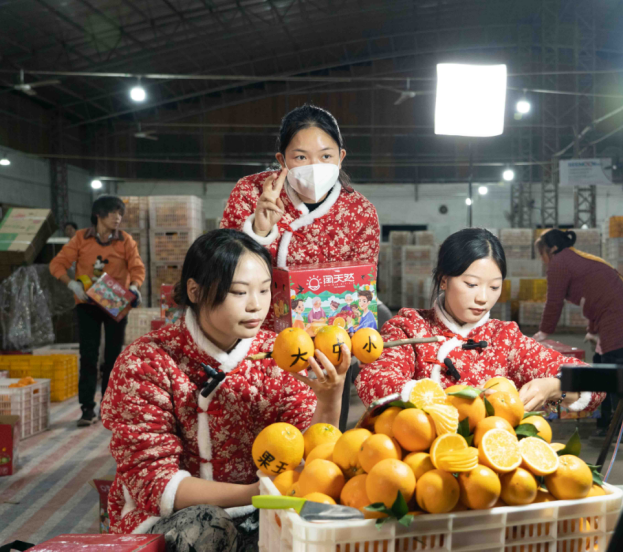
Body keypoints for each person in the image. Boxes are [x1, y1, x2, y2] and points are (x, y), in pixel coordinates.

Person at [101, 229, 350, 551]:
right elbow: (152, 481)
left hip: (264, 507)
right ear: (195, 290)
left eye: (264, 290)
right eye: (238, 292)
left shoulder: (281, 355)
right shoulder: (147, 361)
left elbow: (308, 455)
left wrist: (330, 397)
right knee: (208, 528)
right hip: (173, 520)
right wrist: (255, 494)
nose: (256, 306)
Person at [356, 228, 603, 414]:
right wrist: (435, 399)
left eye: (494, 287)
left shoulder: (504, 338)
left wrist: (553, 386)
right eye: (471, 284)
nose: (483, 298)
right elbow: (373, 381)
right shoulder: (409, 327)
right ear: (444, 280)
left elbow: (596, 382)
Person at [220, 104, 380, 330]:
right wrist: (260, 230)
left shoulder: (360, 212)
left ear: (340, 157)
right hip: (255, 330)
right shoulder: (251, 191)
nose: (315, 167)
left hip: (329, 334)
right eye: (301, 157)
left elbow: (361, 286)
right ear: (282, 160)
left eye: (326, 156)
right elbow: (223, 267)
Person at [532, 229, 623, 441]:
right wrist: (592, 330)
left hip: (618, 314)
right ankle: (606, 425)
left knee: (611, 371)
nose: (542, 259)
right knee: (601, 367)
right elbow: (594, 296)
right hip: (617, 311)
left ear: (551, 249)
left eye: (542, 253)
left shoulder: (559, 262)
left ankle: (619, 429)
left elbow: (554, 301)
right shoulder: (572, 257)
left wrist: (544, 331)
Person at [50, 196, 145, 427]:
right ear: (99, 215)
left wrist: (134, 287)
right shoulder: (81, 238)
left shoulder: (125, 240)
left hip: (115, 305)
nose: (118, 218)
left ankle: (108, 406)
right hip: (87, 306)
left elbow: (137, 268)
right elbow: (57, 264)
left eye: (120, 214)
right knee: (89, 356)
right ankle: (87, 409)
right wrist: (71, 283)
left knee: (113, 357)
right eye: (113, 213)